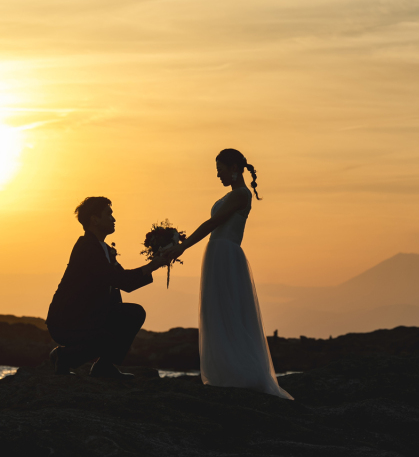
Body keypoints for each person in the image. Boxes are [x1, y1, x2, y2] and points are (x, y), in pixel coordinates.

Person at [164, 149, 293, 399]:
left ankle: (239, 371)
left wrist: (183, 246)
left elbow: (213, 223)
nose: (218, 175)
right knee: (218, 310)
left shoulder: (241, 195)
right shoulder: (231, 194)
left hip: (225, 254)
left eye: (220, 169)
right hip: (216, 252)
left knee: (229, 310)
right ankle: (225, 370)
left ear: (234, 167)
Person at [46, 197, 169, 378]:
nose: (114, 219)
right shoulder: (86, 247)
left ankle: (104, 367)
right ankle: (62, 357)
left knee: (134, 313)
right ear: (94, 219)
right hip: (68, 320)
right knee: (107, 337)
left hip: (91, 316)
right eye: (109, 214)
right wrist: (153, 265)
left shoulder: (103, 249)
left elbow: (126, 282)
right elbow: (118, 279)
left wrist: (156, 262)